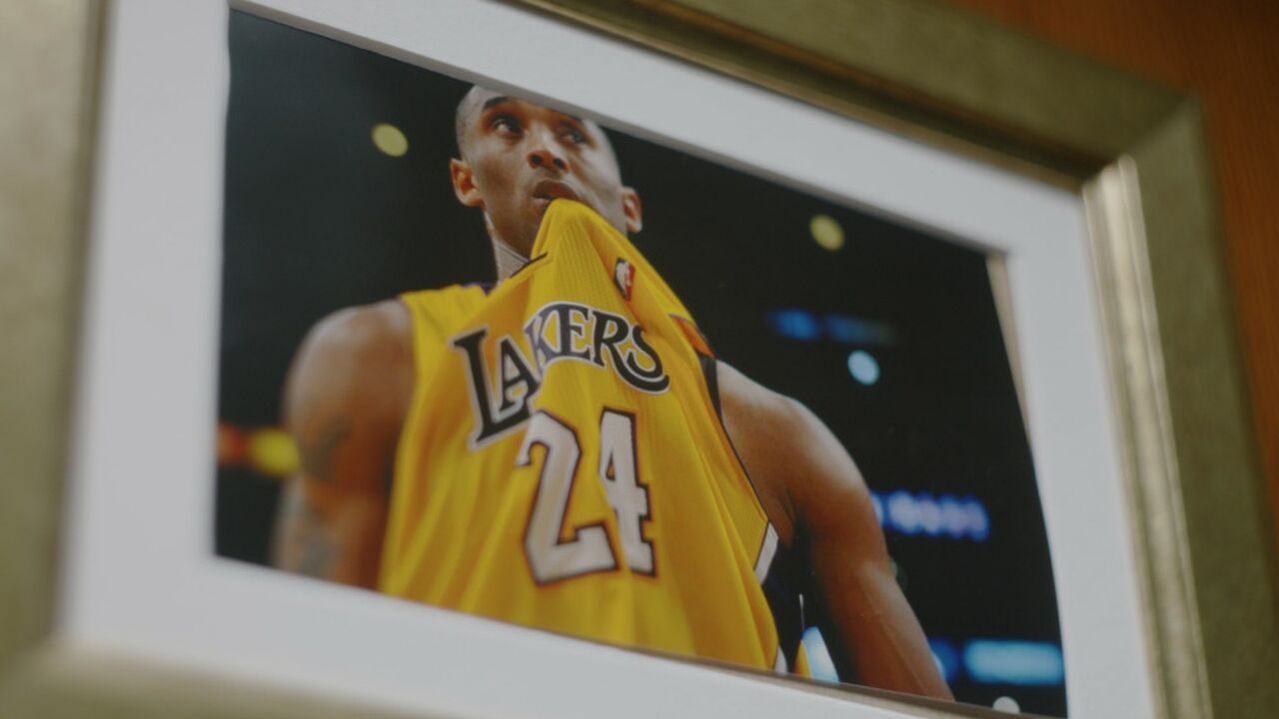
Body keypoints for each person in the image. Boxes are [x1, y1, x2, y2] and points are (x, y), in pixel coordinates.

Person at [273, 86, 951, 700]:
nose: (545, 149)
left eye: (572, 134)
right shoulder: (378, 355)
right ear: (465, 179)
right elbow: (302, 674)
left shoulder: (779, 435)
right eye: (507, 126)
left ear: (629, 204)